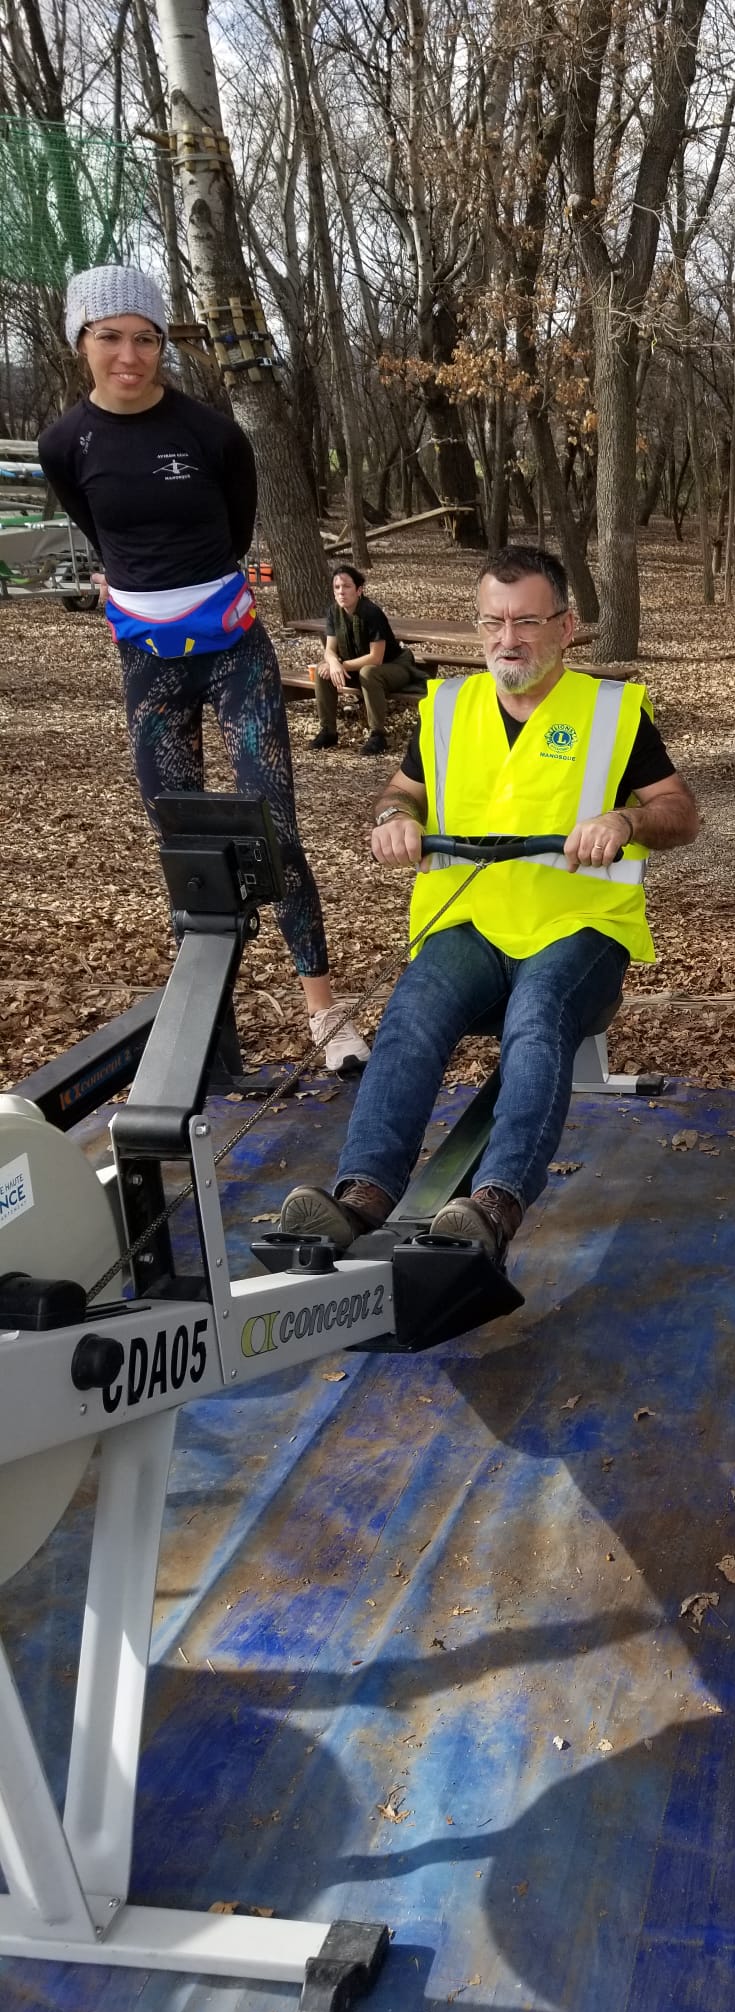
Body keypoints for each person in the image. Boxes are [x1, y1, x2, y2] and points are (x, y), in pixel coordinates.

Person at [279, 544, 700, 1269]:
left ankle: (495, 1203)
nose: (509, 640)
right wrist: (390, 821)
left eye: (528, 622)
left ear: (566, 628)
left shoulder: (612, 712)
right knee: (410, 1015)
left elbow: (681, 814)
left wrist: (626, 822)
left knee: (537, 1020)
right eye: (493, 623)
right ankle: (361, 1196)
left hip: (578, 925)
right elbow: (401, 793)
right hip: (468, 926)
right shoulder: (447, 708)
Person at [37, 263, 369, 1073]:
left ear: (162, 343)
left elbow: (235, 526)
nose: (129, 355)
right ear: (81, 342)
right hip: (148, 660)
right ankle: (208, 1027)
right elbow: (101, 530)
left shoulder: (212, 434)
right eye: (110, 337)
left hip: (231, 653)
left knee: (274, 824)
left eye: (145, 338)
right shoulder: (63, 444)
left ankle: (322, 1012)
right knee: (180, 837)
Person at [309, 564, 422, 756]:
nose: (341, 592)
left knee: (368, 672)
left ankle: (378, 735)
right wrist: (333, 663)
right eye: (336, 587)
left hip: (394, 667)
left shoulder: (371, 612)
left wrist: (340, 665)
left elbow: (375, 658)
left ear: (359, 590)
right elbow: (329, 650)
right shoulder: (333, 612)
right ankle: (328, 731)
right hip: (357, 668)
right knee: (323, 670)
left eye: (346, 586)